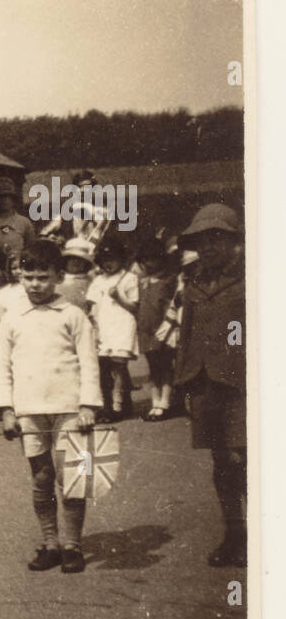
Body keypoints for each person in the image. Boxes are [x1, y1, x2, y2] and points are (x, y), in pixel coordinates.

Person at [0, 240, 101, 574]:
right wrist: (6, 409)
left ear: (58, 276)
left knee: (71, 476)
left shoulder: (73, 314)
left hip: (69, 408)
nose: (35, 285)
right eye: (28, 277)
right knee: (41, 477)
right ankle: (51, 542)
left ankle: (72, 544)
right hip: (29, 410)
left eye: (42, 277)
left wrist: (88, 405)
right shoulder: (12, 318)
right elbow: (2, 365)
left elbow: (89, 360)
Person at [172, 204, 246, 567]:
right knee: (221, 463)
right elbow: (185, 337)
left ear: (235, 241)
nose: (209, 247)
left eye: (217, 238)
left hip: (244, 385)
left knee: (245, 458)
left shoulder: (255, 277)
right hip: (205, 384)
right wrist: (183, 383)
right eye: (202, 241)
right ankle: (235, 535)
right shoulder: (194, 281)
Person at [85, 239, 139, 421]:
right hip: (104, 327)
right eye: (105, 259)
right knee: (103, 367)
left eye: (113, 259)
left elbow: (134, 307)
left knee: (119, 366)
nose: (109, 263)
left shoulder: (129, 278)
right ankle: (107, 404)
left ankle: (118, 406)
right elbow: (92, 305)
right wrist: (94, 325)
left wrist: (119, 297)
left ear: (121, 259)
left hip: (122, 325)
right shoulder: (98, 280)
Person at [136, 242, 179, 421]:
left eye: (153, 259)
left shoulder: (168, 281)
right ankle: (155, 402)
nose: (149, 263)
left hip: (162, 330)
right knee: (153, 368)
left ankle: (165, 402)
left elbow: (170, 307)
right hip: (146, 332)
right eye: (146, 260)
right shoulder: (143, 282)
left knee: (166, 367)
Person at [56, 238, 95, 311]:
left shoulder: (90, 281)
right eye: (72, 258)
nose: (76, 262)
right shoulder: (56, 278)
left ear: (86, 263)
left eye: (80, 259)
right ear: (66, 260)